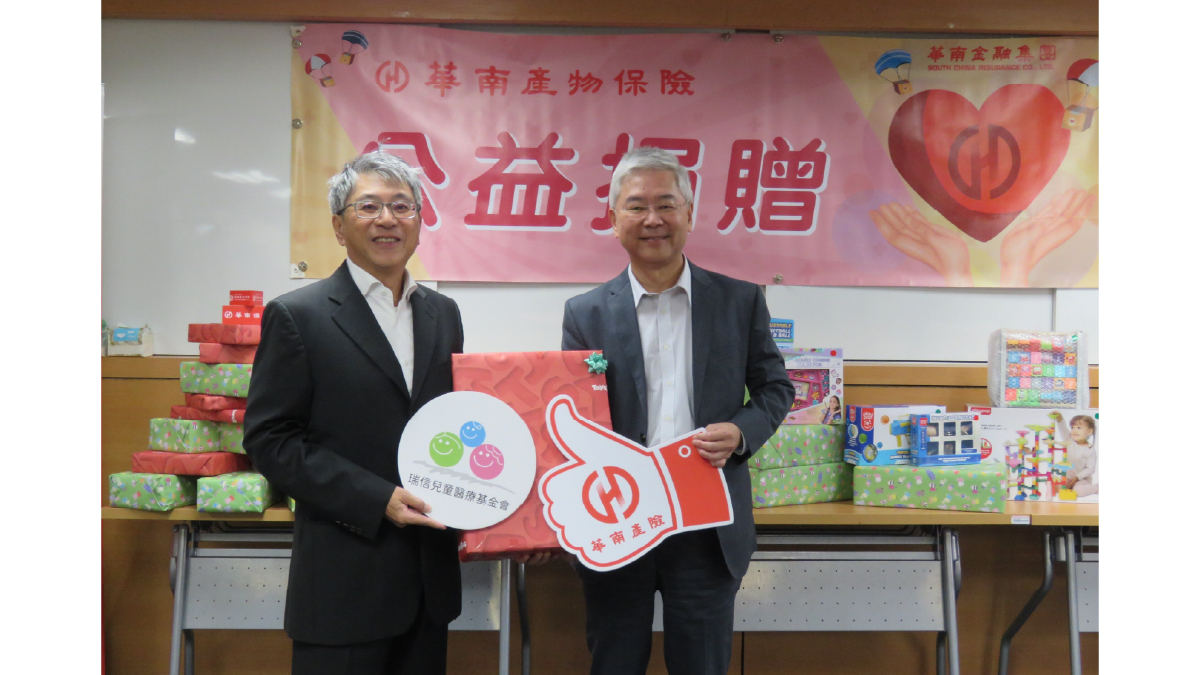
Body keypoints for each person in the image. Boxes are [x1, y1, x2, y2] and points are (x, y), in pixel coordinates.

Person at [561, 147, 794, 675]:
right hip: (617, 516)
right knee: (615, 662)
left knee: (702, 665)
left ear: (689, 214)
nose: (652, 219)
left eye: (666, 204)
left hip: (706, 523)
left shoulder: (739, 301)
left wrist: (741, 431)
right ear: (613, 218)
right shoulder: (585, 313)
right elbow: (576, 415)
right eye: (636, 206)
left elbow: (775, 387)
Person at [244, 152, 464, 675]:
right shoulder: (298, 316)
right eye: (368, 207)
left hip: (428, 588)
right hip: (343, 586)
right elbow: (270, 441)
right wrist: (376, 498)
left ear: (419, 223)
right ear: (339, 227)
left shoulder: (443, 314)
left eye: (402, 206)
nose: (388, 219)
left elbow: (453, 425)